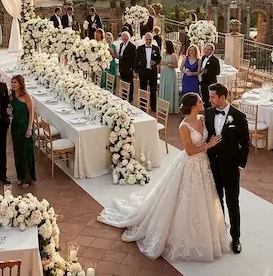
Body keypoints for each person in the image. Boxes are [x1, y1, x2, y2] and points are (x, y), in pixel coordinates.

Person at [98, 93, 229, 261]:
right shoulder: (184, 126)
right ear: (193, 106)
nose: (203, 102)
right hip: (190, 164)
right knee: (183, 200)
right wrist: (208, 145)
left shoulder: (203, 119)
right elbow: (189, 151)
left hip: (203, 165)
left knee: (203, 200)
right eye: (199, 101)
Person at [205, 83, 249, 254]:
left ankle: (236, 237)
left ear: (223, 97)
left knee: (233, 203)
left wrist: (240, 165)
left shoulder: (238, 117)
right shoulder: (208, 114)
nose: (210, 100)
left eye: (213, 97)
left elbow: (245, 144)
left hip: (231, 168)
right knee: (217, 202)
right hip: (212, 166)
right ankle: (220, 233)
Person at [10, 75, 35, 188]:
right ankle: (20, 176)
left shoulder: (26, 96)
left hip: (25, 126)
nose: (13, 84)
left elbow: (31, 113)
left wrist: (29, 128)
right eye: (12, 82)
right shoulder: (12, 96)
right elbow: (11, 110)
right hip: (15, 127)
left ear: (20, 83)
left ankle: (27, 178)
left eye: (15, 82)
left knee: (26, 153)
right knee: (17, 152)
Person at [135, 33, 161, 111]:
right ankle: (143, 106)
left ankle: (153, 106)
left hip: (153, 72)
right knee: (143, 88)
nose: (149, 41)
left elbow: (159, 59)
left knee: (153, 89)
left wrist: (155, 62)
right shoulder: (140, 48)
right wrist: (135, 71)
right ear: (145, 40)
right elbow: (136, 60)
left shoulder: (156, 48)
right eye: (147, 39)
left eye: (150, 39)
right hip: (143, 71)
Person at [158, 40, 180, 114]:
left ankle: (170, 108)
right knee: (164, 88)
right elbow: (161, 62)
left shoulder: (173, 55)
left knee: (169, 88)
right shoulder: (164, 54)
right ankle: (163, 107)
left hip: (170, 73)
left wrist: (167, 64)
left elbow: (176, 66)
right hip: (164, 73)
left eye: (165, 44)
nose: (163, 46)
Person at [116, 31, 136, 101]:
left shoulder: (132, 46)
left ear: (128, 38)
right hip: (122, 68)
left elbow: (134, 59)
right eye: (123, 38)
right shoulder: (121, 44)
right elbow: (121, 53)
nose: (124, 40)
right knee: (123, 83)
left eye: (126, 38)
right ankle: (124, 96)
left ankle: (130, 98)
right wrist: (119, 56)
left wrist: (133, 69)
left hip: (129, 68)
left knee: (130, 84)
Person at [199, 43, 221, 109]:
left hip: (210, 82)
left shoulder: (215, 60)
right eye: (205, 49)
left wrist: (207, 71)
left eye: (208, 49)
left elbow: (217, 72)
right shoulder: (203, 58)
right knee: (205, 99)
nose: (206, 51)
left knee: (211, 100)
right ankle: (206, 113)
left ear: (212, 51)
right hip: (203, 82)